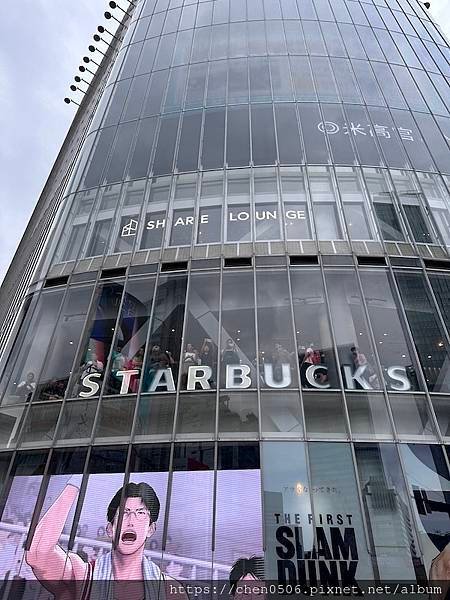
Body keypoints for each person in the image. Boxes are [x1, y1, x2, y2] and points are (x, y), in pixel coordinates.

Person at [26, 479, 186, 600]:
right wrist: (75, 482)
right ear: (110, 529)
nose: (131, 520)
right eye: (124, 512)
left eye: (140, 513)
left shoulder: (168, 590)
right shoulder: (83, 576)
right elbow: (37, 554)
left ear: (151, 529)